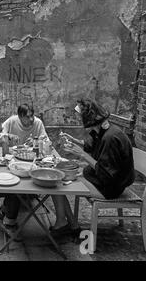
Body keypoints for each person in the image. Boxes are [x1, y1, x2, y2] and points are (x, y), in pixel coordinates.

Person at [50, 99, 136, 236]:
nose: (78, 118)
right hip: (100, 179)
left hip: (110, 188)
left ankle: (67, 224)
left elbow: (106, 174)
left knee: (57, 186)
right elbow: (91, 145)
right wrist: (74, 141)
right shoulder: (102, 129)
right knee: (61, 179)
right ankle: (70, 225)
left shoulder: (110, 138)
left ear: (88, 116)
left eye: (79, 115)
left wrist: (82, 154)